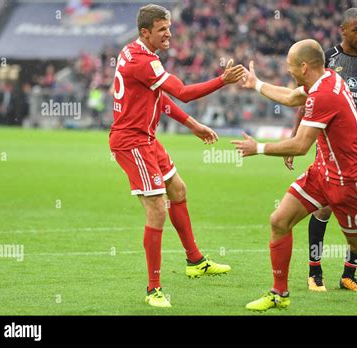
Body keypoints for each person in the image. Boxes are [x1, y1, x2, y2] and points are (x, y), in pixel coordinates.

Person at [232, 39, 357, 311]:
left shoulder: (325, 94)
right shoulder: (326, 78)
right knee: (279, 221)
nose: (289, 71)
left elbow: (300, 145)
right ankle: (279, 294)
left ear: (304, 67)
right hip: (323, 173)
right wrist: (256, 84)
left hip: (350, 181)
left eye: (291, 67)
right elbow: (292, 97)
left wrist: (258, 147)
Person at [110, 4, 244, 308]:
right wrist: (222, 80)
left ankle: (194, 260)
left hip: (146, 137)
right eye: (162, 29)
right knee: (157, 209)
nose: (169, 33)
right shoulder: (144, 61)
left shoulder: (133, 52)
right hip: (132, 142)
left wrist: (193, 124)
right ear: (146, 32)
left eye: (169, 27)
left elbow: (161, 98)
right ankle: (153, 289)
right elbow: (181, 92)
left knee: (178, 189)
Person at [283, 8, 357, 293]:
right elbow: (307, 100)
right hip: (328, 150)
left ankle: (348, 275)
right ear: (342, 30)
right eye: (356, 30)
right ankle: (314, 271)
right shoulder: (326, 59)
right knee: (324, 208)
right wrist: (294, 139)